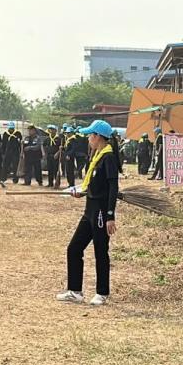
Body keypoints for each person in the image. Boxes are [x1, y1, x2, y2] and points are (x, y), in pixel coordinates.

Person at [57, 120, 120, 307]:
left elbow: (113, 188)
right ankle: (75, 291)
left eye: (90, 135)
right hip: (89, 210)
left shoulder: (108, 157)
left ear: (98, 136)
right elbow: (93, 185)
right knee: (74, 248)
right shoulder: (97, 155)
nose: (88, 138)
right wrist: (80, 191)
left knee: (101, 251)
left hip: (100, 212)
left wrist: (110, 215)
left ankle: (102, 292)